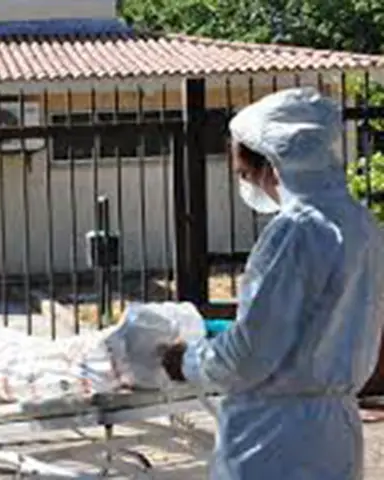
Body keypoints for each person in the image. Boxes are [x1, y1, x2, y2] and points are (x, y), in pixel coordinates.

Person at [160, 87, 384, 479]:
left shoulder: (295, 231)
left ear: (271, 164)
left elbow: (250, 355)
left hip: (275, 442)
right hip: (335, 434)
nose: (249, 186)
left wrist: (188, 361)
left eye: (245, 174)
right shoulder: (360, 223)